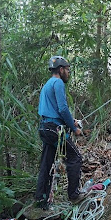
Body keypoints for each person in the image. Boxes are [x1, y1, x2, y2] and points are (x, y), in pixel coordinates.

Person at [35, 55, 86, 208]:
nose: (68, 73)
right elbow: (62, 108)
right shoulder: (58, 83)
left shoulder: (47, 85)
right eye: (68, 70)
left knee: (46, 163)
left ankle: (40, 199)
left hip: (45, 127)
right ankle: (74, 195)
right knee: (75, 157)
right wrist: (74, 127)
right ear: (61, 69)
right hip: (54, 129)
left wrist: (71, 121)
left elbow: (53, 111)